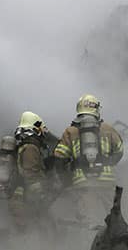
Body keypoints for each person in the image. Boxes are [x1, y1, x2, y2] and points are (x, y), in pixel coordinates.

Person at [53, 94, 124, 229]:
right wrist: (108, 162)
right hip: (107, 183)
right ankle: (119, 247)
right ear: (96, 109)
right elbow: (119, 151)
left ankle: (91, 247)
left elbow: (59, 158)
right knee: (113, 220)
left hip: (83, 184)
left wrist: (66, 180)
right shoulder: (108, 129)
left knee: (90, 223)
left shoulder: (70, 131)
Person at [6, 111, 59, 237]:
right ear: (36, 128)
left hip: (22, 198)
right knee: (33, 233)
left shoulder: (24, 145)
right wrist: (41, 195)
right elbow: (30, 174)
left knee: (30, 232)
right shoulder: (31, 147)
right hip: (26, 200)